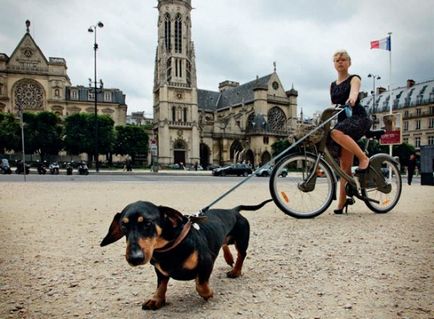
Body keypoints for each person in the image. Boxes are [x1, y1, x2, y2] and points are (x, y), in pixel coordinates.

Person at [329, 50, 372, 214]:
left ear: (349, 62)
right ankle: (341, 203)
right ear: (334, 64)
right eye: (337, 60)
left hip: (358, 117)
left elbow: (354, 91)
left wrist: (352, 98)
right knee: (344, 167)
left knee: (334, 133)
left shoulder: (354, 78)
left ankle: (363, 158)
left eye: (343, 59)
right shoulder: (332, 85)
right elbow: (333, 105)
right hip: (343, 122)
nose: (340, 62)